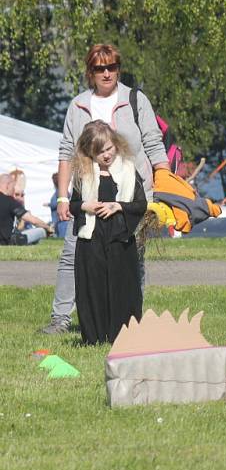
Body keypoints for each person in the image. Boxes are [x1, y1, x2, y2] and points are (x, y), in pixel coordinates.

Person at [41, 43, 168, 335]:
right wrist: (63, 196)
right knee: (74, 253)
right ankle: (61, 319)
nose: (107, 73)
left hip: (132, 193)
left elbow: (153, 143)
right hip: (89, 195)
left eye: (112, 67)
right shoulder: (78, 105)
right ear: (91, 72)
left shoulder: (136, 100)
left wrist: (164, 191)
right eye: (100, 68)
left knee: (132, 257)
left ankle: (130, 322)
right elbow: (66, 151)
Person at [69, 121, 146, 344]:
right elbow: (74, 205)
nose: (105, 155)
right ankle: (94, 337)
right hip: (91, 240)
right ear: (89, 152)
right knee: (93, 287)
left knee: (123, 287)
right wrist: (86, 206)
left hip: (119, 238)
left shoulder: (129, 171)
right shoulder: (83, 174)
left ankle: (123, 336)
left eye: (109, 149)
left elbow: (140, 205)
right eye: (99, 151)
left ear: (116, 145)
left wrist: (118, 206)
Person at [0, 173, 53, 245]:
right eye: (13, 186)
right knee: (41, 230)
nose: (13, 189)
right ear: (8, 185)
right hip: (7, 242)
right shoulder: (9, 201)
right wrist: (48, 228)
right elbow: (34, 221)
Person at [47, 172, 70, 238]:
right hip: (61, 222)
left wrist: (50, 205)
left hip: (61, 222)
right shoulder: (63, 192)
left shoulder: (60, 192)